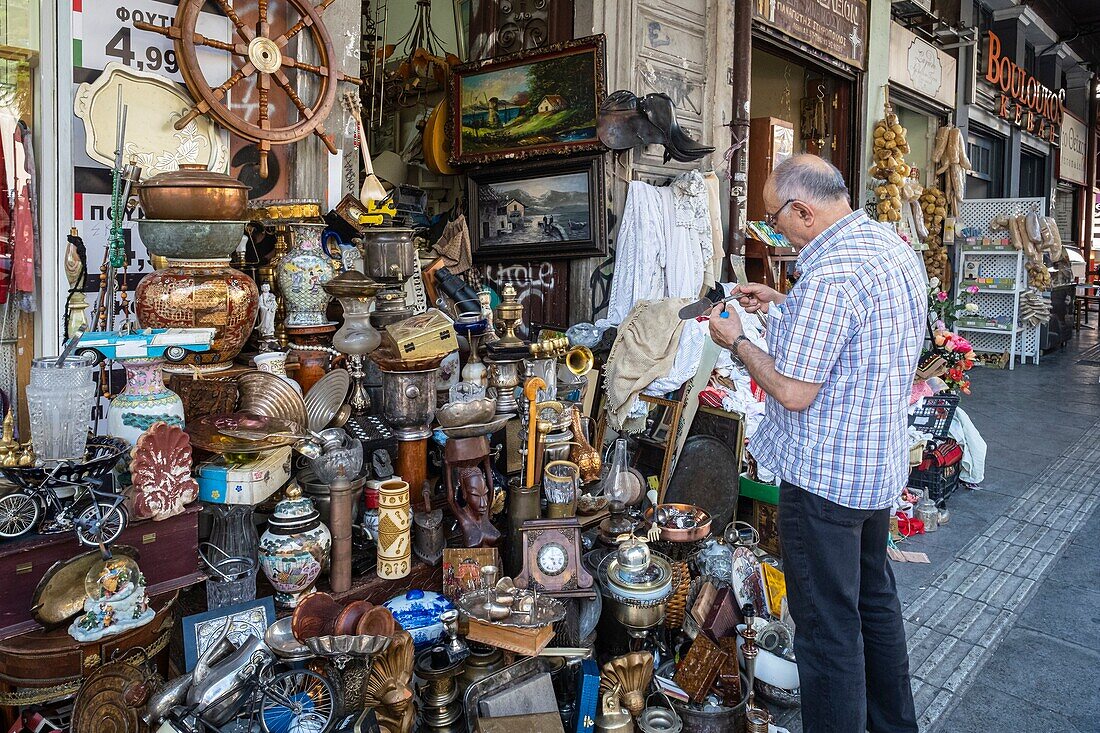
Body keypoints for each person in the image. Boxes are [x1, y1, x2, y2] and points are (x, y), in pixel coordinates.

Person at [708, 155, 926, 733]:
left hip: (826, 483)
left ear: (803, 210)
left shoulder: (829, 275)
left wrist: (736, 341)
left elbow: (792, 390)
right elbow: (852, 342)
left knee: (828, 632)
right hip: (873, 472)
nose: (773, 231)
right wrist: (781, 305)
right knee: (874, 606)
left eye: (774, 220)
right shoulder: (888, 247)